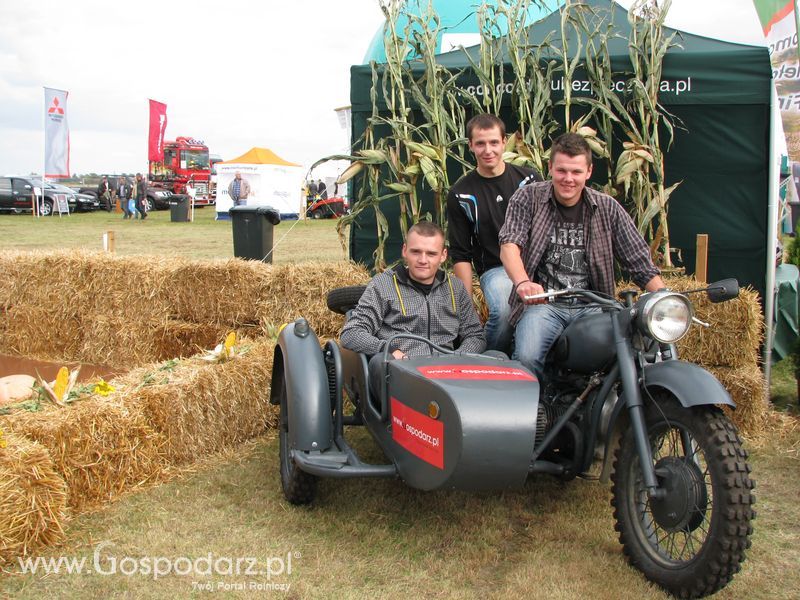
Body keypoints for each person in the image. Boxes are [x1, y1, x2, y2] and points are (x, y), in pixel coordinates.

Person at [499, 132, 665, 378]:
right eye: (562, 171)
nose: (568, 179)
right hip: (544, 305)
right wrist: (523, 282)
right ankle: (536, 412)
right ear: (550, 168)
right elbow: (510, 245)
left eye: (576, 172)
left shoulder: (607, 207)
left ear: (588, 171)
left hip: (593, 306)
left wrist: (663, 298)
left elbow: (638, 261)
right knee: (527, 357)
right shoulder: (528, 198)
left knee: (630, 354)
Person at [340, 221, 486, 395]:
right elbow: (351, 333)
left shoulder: (455, 288)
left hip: (447, 371)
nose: (423, 260)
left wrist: (460, 357)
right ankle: (395, 418)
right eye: (416, 252)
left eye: (431, 254)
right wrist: (388, 349)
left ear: (443, 255)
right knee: (380, 362)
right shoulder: (383, 285)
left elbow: (475, 335)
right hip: (402, 368)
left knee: (499, 357)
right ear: (404, 251)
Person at [446, 113, 542, 355]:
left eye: (493, 142)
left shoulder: (530, 179)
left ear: (504, 141)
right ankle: (486, 360)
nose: (487, 150)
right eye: (480, 143)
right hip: (496, 269)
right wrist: (465, 305)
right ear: (470, 145)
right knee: (504, 311)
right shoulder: (461, 193)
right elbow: (460, 254)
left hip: (538, 265)